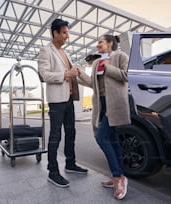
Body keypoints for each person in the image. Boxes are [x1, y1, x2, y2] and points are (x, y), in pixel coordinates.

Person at [78, 35, 130, 199]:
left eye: (100, 41)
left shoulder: (120, 56)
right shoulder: (96, 62)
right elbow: (92, 84)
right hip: (101, 104)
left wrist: (108, 68)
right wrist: (80, 74)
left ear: (110, 43)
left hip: (114, 103)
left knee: (101, 138)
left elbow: (126, 75)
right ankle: (120, 175)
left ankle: (117, 178)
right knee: (112, 140)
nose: (97, 44)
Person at [38, 18, 88, 188]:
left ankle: (70, 163)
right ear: (55, 33)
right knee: (55, 135)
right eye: (65, 32)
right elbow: (45, 75)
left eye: (67, 32)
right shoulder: (46, 51)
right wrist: (66, 74)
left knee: (71, 132)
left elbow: (74, 73)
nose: (68, 36)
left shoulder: (65, 53)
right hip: (57, 102)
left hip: (68, 100)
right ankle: (52, 171)